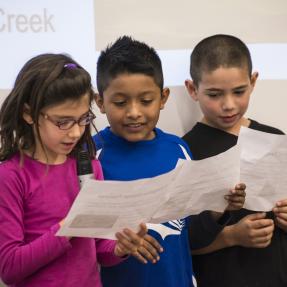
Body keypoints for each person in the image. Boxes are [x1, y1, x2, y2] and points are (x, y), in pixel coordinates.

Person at [93, 35, 246, 287]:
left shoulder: (178, 150)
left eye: (146, 100)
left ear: (163, 98)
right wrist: (119, 246)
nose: (134, 112)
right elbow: (82, 245)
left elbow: (192, 235)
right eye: (120, 102)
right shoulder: (91, 156)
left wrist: (222, 209)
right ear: (100, 102)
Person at [0, 53, 162, 287]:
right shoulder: (11, 176)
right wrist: (66, 228)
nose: (76, 133)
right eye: (63, 122)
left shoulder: (89, 167)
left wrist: (119, 248)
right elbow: (10, 268)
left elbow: (98, 249)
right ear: (28, 113)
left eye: (83, 119)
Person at [183, 34, 287, 287]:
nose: (228, 105)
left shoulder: (274, 139)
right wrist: (231, 236)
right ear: (192, 89)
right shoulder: (184, 150)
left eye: (239, 91)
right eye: (215, 94)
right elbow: (181, 241)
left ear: (253, 82)